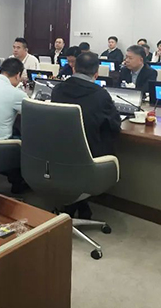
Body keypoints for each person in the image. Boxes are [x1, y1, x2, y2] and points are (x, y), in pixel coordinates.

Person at [51, 53, 121, 219]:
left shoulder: (57, 89)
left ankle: (75, 205)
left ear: (74, 68)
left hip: (58, 154)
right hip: (89, 156)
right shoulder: (100, 94)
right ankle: (78, 204)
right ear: (96, 74)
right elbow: (115, 125)